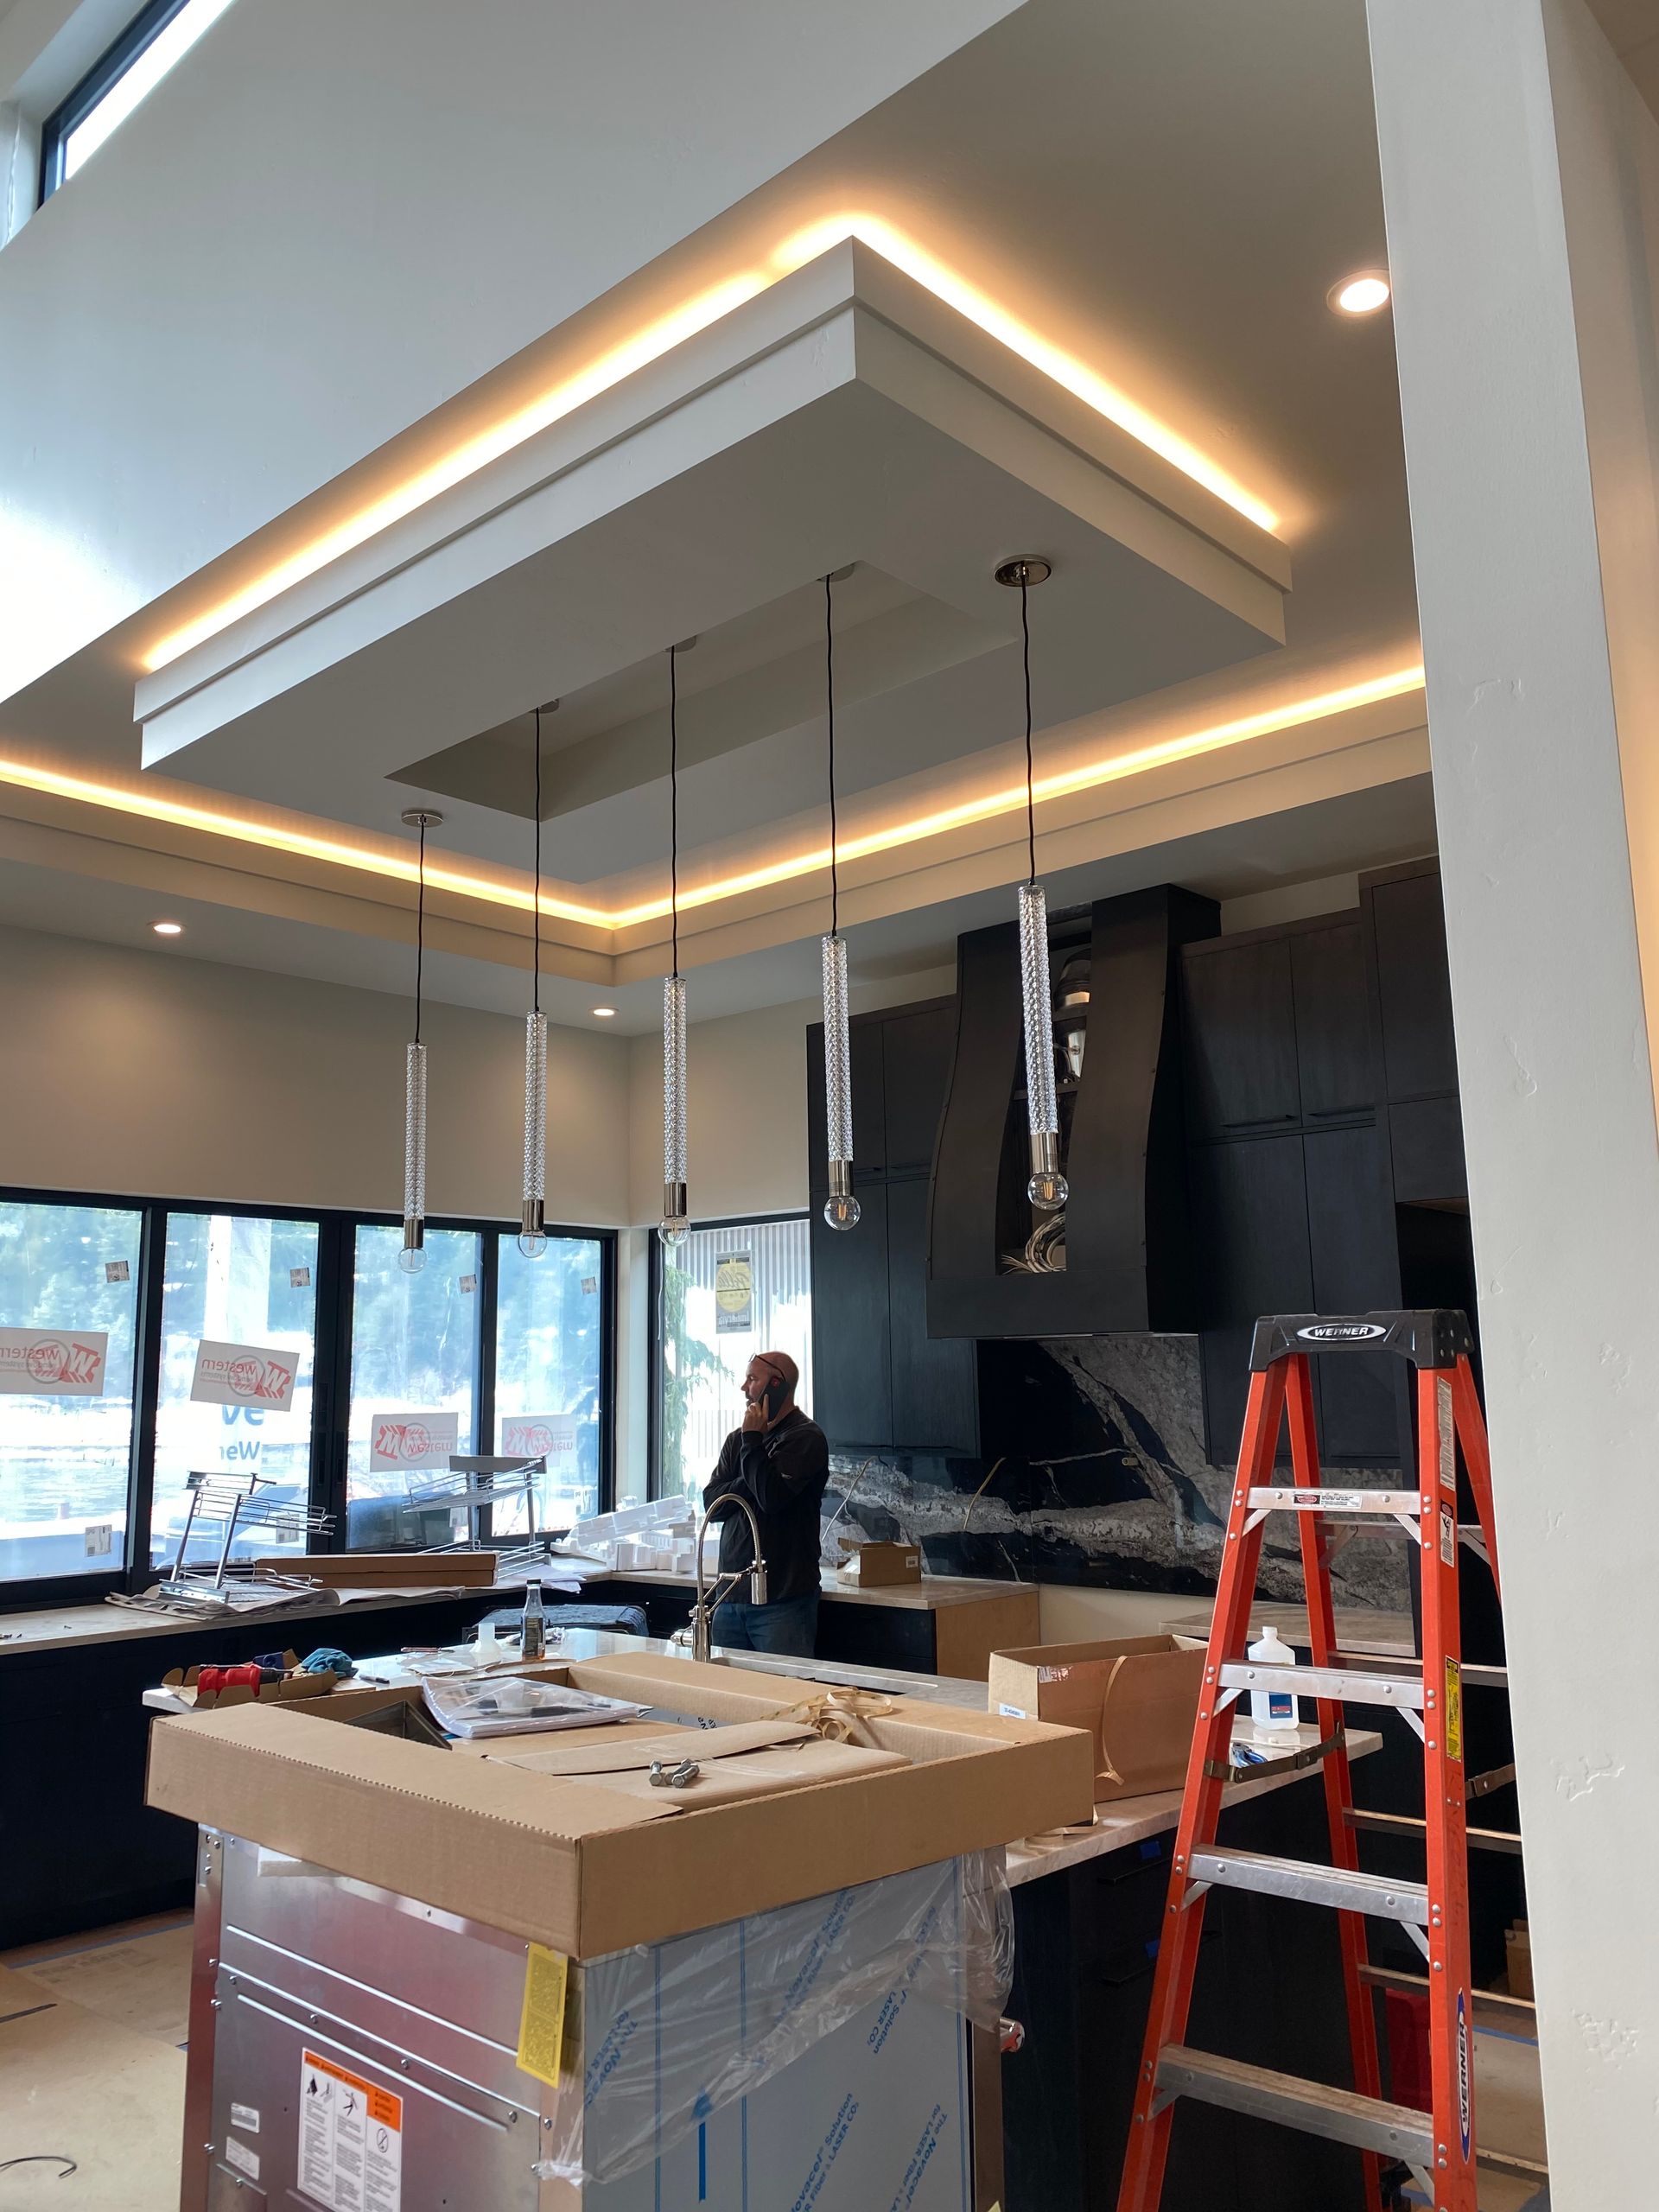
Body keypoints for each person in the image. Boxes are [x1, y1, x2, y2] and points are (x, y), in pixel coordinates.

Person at [702, 1350, 828, 1656]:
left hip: (782, 1603)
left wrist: (753, 1445)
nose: (744, 1388)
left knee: (784, 1697)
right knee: (727, 1698)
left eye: (752, 1379)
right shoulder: (739, 1439)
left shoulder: (804, 1437)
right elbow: (713, 1504)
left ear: (776, 1384)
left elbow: (771, 1497)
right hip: (729, 1599)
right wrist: (751, 1475)